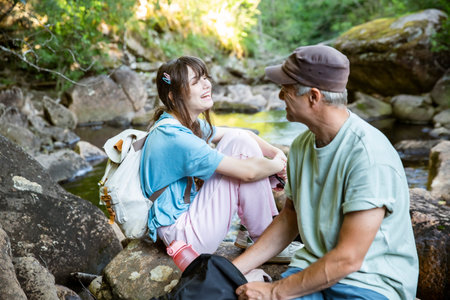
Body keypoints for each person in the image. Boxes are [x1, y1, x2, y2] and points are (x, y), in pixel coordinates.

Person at [233, 45, 419, 299]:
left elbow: (348, 259)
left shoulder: (368, 155)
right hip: (310, 271)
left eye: (285, 90)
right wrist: (232, 269)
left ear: (313, 97)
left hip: (369, 283)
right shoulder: (301, 146)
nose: (279, 96)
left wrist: (274, 291)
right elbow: (290, 218)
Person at [139, 56, 301, 259]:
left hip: (185, 222)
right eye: (196, 82)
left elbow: (241, 134)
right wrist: (276, 165)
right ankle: (264, 240)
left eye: (205, 78)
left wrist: (275, 153)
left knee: (238, 139)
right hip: (183, 237)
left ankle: (253, 234)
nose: (207, 84)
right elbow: (248, 173)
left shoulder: (182, 124)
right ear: (173, 96)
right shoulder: (174, 137)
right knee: (239, 162)